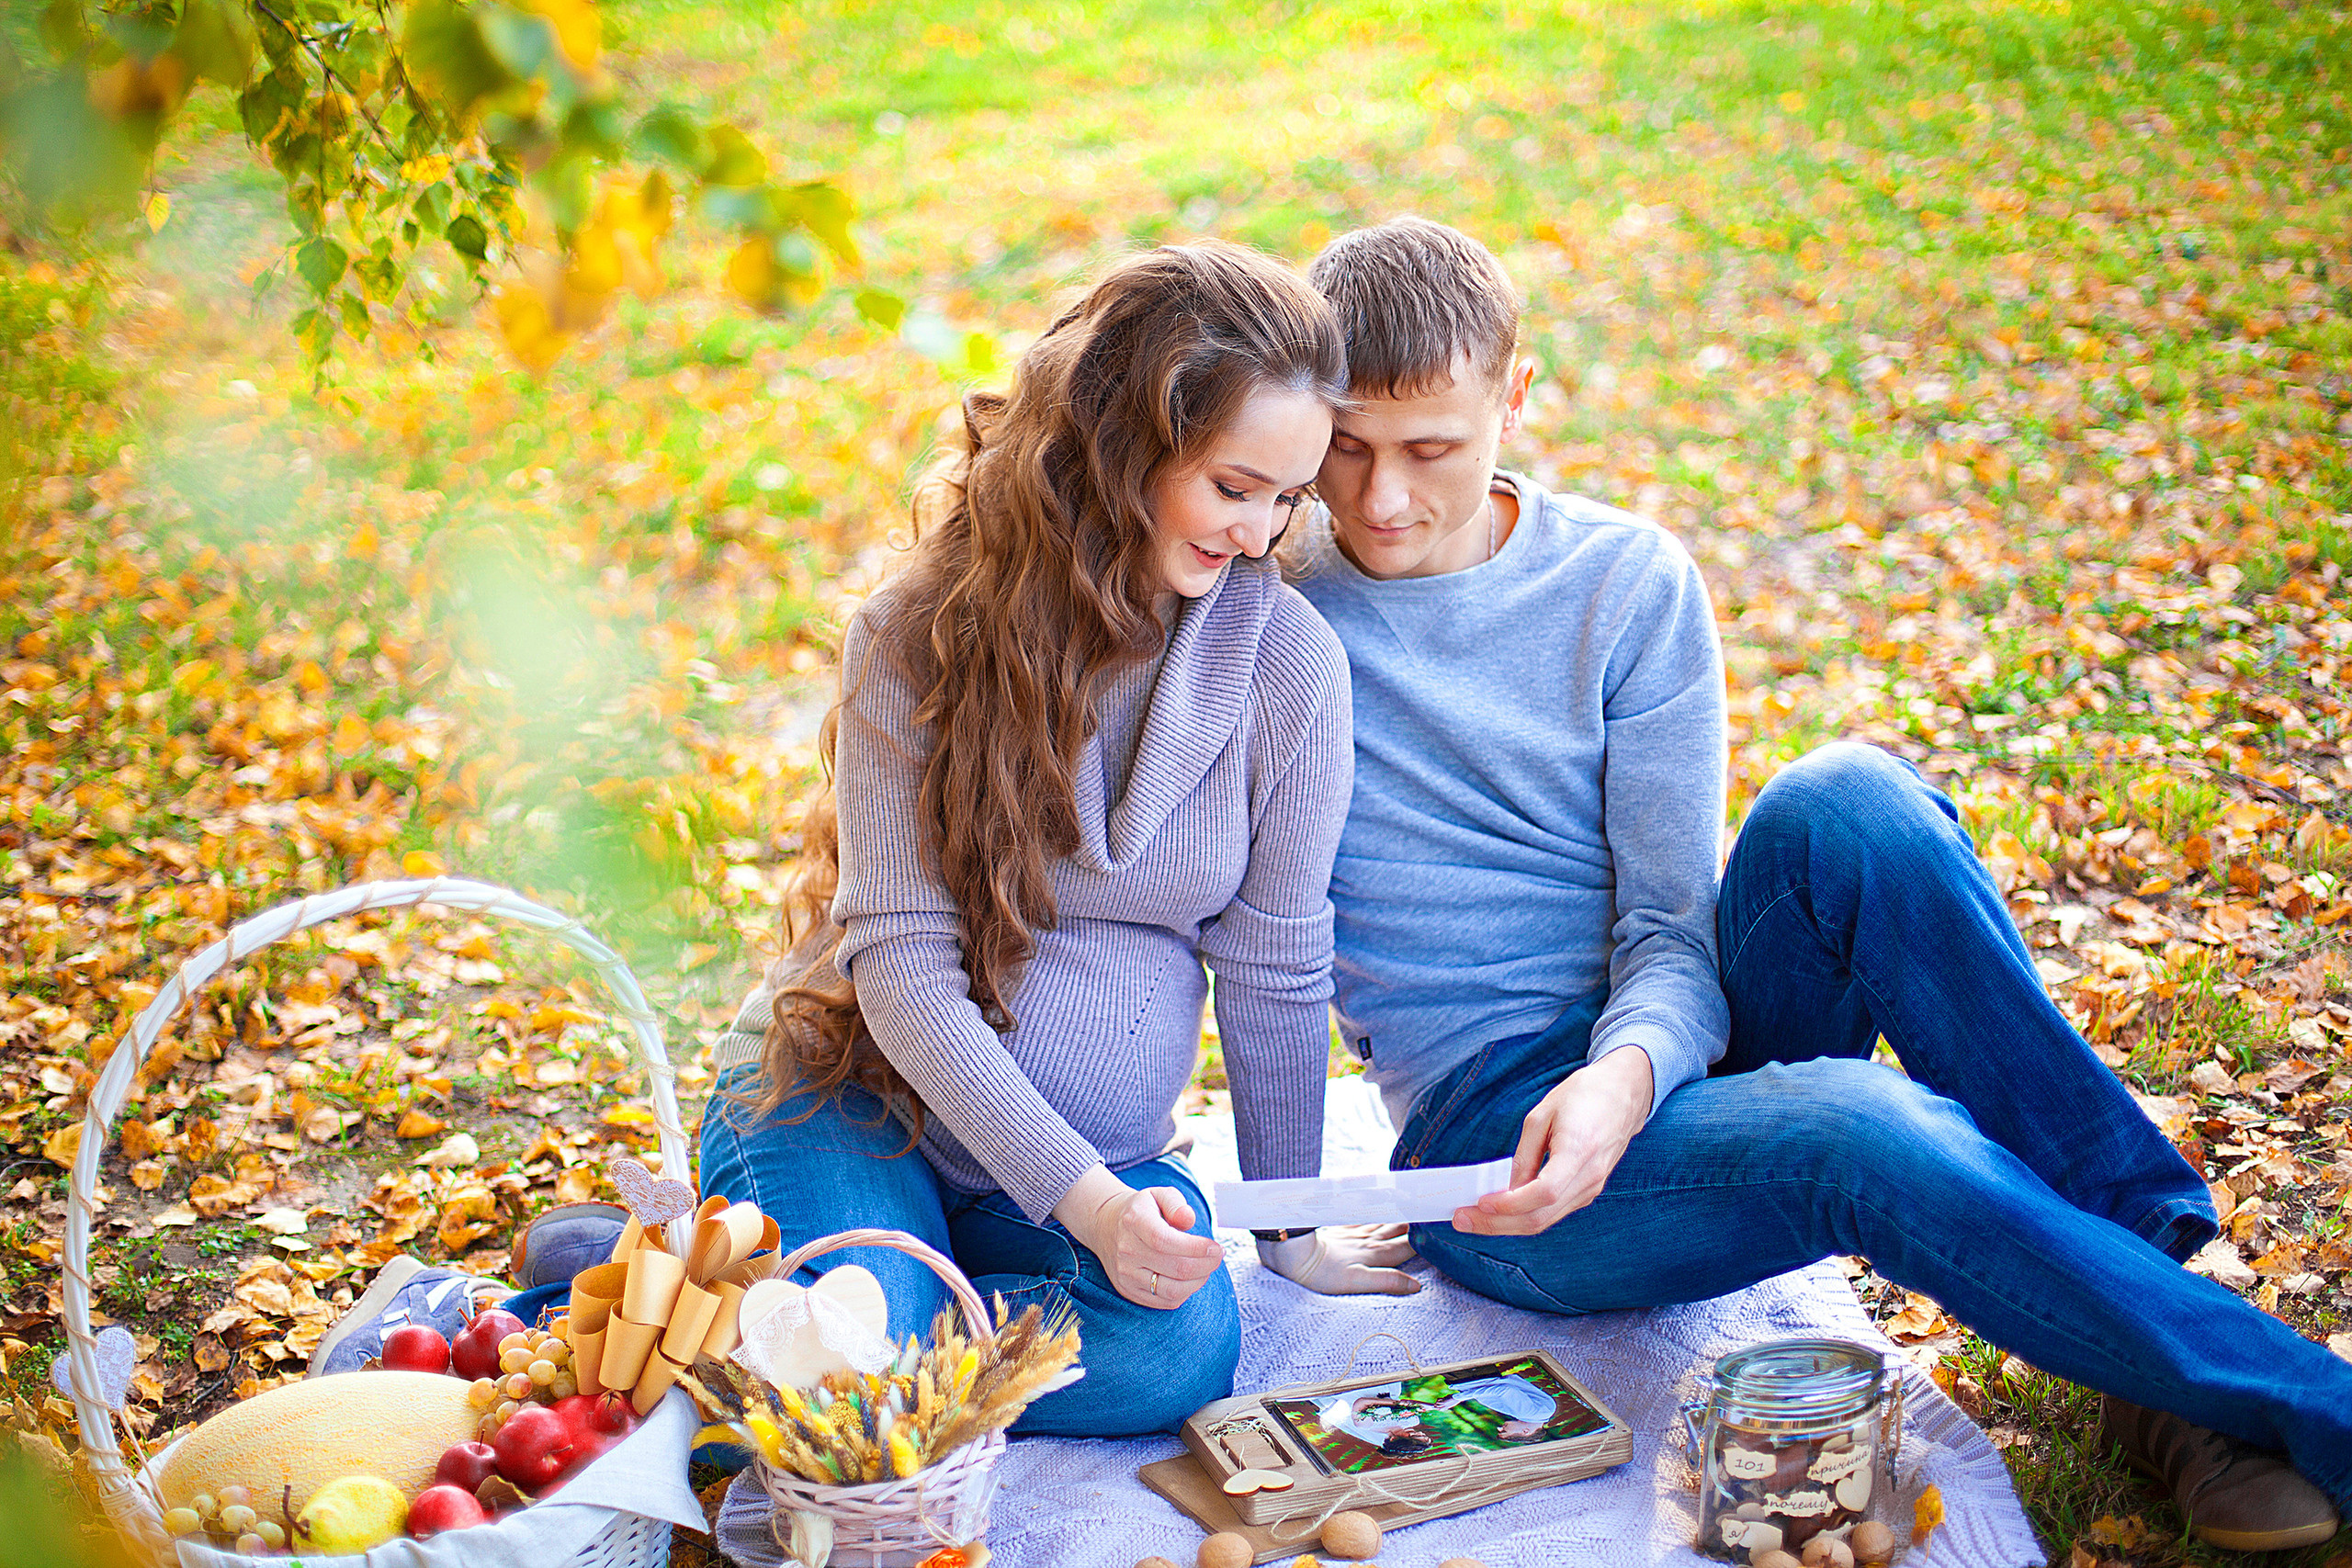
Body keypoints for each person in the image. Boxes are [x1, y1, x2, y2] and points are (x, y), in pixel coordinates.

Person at [1287, 216, 2351, 1548]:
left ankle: (2160, 1308)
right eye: (1344, 449)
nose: (1382, 500)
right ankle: (2260, 1398)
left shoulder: (1624, 583)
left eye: (1430, 449)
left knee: (1847, 801)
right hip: (1501, 1159)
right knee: (1858, 1126)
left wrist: (1626, 1074)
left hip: (1662, 1059)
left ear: (1516, 395)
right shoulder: (1271, 613)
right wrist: (1283, 1218)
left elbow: (1671, 931)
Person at [697, 241, 1416, 1440]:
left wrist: (1287, 1225)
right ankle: (802, 1313)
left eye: (1289, 498)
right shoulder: (918, 632)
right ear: (1129, 444)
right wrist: (1087, 1210)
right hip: (857, 1100)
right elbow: (904, 969)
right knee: (856, 1355)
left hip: (1096, 1159)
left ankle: (823, 1325)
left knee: (1181, 1346)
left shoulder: (1289, 666)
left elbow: (1276, 961)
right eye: (1234, 486)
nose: (1261, 533)